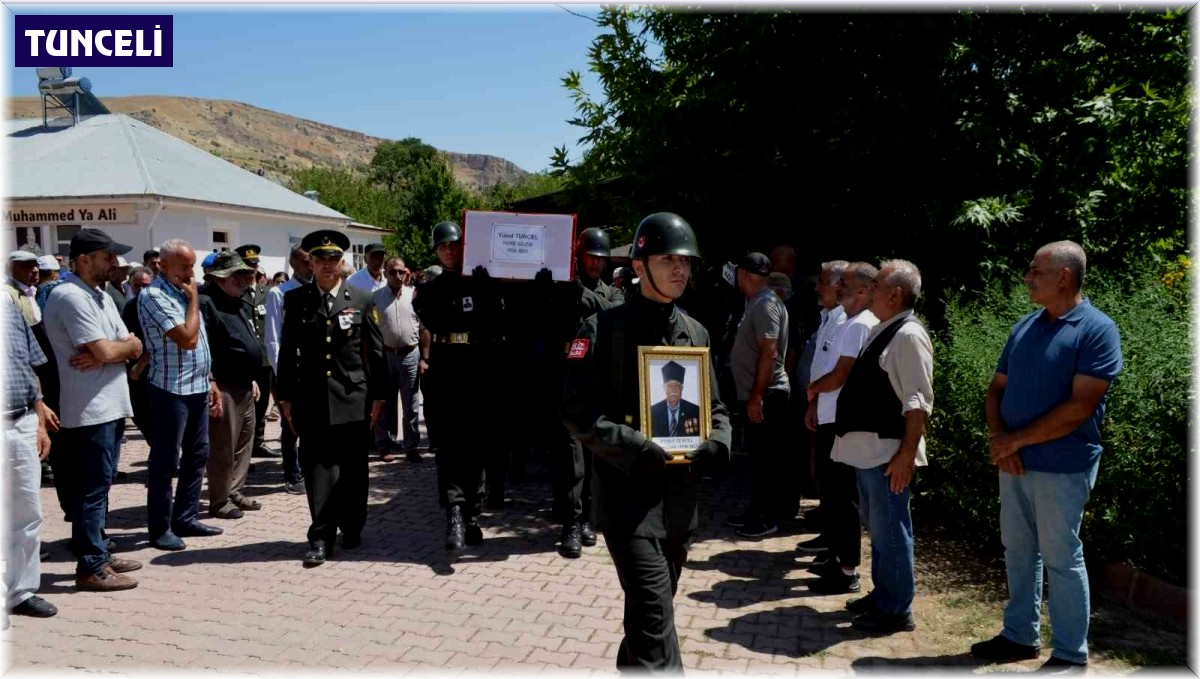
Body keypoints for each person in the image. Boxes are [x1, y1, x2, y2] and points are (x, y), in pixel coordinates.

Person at [562, 212, 731, 673]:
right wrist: (636, 446)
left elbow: (716, 407)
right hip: (627, 505)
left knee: (648, 615)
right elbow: (576, 412)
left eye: (686, 261)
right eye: (668, 260)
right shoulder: (602, 329)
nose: (680, 269)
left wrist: (718, 442)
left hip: (680, 507)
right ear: (639, 265)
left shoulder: (695, 333)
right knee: (656, 619)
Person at [971, 241, 1122, 672]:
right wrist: (1000, 439)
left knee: (1061, 556)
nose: (1028, 277)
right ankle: (1020, 636)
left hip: (1062, 466)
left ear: (1064, 277)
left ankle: (1071, 654)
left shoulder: (1097, 329)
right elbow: (996, 390)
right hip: (1014, 461)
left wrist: (1014, 441)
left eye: (1036, 270)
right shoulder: (1025, 326)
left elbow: (1080, 407)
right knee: (1018, 551)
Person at [830, 259, 933, 635]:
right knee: (879, 529)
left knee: (891, 530)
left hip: (887, 454)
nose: (869, 291)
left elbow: (918, 402)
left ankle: (896, 609)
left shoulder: (908, 335)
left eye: (877, 286)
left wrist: (906, 455)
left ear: (895, 295)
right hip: (870, 453)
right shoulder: (886, 329)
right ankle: (883, 595)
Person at [276, 230, 386, 566]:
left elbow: (375, 352)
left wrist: (379, 397)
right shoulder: (296, 300)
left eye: (334, 259)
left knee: (353, 469)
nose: (327, 265)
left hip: (353, 397)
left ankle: (352, 525)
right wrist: (285, 397)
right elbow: (286, 353)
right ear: (310, 262)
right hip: (311, 398)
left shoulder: (362, 298)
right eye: (320, 259)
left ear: (342, 262)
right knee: (318, 470)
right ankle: (321, 536)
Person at [42, 229, 144, 590]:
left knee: (100, 486)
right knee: (91, 489)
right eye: (107, 256)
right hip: (89, 408)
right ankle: (90, 566)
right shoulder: (70, 295)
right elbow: (109, 350)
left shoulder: (98, 294)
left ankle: (98, 550)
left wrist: (117, 350)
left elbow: (132, 343)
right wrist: (114, 351)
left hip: (108, 405)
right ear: (84, 260)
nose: (114, 263)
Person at [412, 220, 505, 551]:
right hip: (446, 369)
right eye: (443, 247)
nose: (449, 251)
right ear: (436, 252)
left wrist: (485, 288)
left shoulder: (484, 284)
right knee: (449, 445)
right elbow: (433, 316)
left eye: (454, 245)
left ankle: (472, 515)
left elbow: (496, 321)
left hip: (478, 369)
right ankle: (453, 512)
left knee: (477, 446)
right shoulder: (430, 289)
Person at [138, 238, 224, 551]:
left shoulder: (182, 292)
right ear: (163, 265)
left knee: (198, 454)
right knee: (165, 461)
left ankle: (186, 517)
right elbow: (187, 338)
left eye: (192, 266)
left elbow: (201, 343)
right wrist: (194, 299)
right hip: (170, 389)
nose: (190, 273)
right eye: (183, 267)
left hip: (197, 386)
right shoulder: (154, 295)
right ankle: (160, 527)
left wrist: (210, 379)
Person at [802, 261, 879, 593]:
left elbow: (841, 374)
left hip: (842, 421)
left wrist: (814, 389)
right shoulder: (849, 322)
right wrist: (816, 400)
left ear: (863, 291)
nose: (837, 288)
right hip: (831, 416)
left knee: (843, 496)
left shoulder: (861, 325)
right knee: (832, 492)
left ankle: (847, 570)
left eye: (844, 284)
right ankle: (837, 558)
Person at [726, 252, 791, 539]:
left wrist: (757, 396)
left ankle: (765, 519)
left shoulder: (766, 304)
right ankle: (755, 511)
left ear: (742, 274)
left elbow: (770, 352)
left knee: (765, 461)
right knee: (757, 460)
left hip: (767, 395)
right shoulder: (756, 302)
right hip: (758, 394)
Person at [199, 252, 264, 520]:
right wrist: (211, 381)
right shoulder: (206, 303)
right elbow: (202, 347)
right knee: (223, 447)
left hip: (244, 384)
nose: (244, 280)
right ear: (219, 277)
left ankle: (235, 491)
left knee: (244, 444)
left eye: (246, 275)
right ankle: (219, 500)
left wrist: (251, 377)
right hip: (223, 386)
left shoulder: (238, 301)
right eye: (237, 275)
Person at [4, 295, 58, 617]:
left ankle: (20, 592)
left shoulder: (8, 306)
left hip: (22, 421)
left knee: (27, 514)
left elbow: (30, 366)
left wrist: (39, 422)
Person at [264, 245, 313, 495]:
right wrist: (281, 374)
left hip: (312, 369)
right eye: (305, 261)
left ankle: (307, 468)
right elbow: (273, 339)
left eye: (312, 260)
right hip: (289, 369)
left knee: (311, 423)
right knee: (290, 423)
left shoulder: (317, 290)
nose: (310, 266)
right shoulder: (279, 293)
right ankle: (292, 474)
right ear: (293, 263)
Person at [372, 256, 422, 463]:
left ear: (406, 273)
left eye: (401, 272)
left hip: (410, 354)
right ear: (385, 274)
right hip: (386, 355)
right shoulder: (375, 298)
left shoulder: (414, 295)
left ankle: (411, 446)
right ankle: (383, 445)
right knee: (385, 403)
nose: (397, 276)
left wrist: (425, 358)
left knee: (411, 404)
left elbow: (424, 327)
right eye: (392, 272)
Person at [233, 244, 278, 461]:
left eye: (254, 266)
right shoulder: (233, 294)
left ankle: (257, 442)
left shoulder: (266, 293)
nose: (251, 271)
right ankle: (241, 449)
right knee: (242, 405)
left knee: (262, 404)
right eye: (247, 266)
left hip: (264, 358)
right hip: (243, 359)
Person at [648, 361, 702, 438]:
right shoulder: (653, 412)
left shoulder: (695, 411)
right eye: (669, 385)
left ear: (682, 389)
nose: (673, 390)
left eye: (677, 385)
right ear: (664, 388)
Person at [576, 227, 624, 306]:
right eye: (591, 256)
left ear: (605, 262)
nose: (595, 262)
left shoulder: (614, 293)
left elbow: (616, 310)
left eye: (600, 258)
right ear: (581, 258)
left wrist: (582, 291)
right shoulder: (567, 289)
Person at [6, 250, 41, 326]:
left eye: (36, 265)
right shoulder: (7, 294)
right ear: (13, 269)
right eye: (28, 266)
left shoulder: (34, 290)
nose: (35, 270)